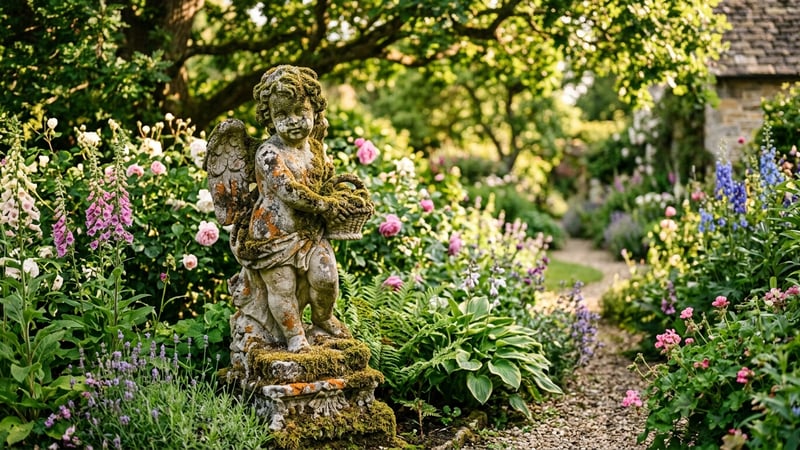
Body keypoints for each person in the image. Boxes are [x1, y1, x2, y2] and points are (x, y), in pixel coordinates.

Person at [208, 65, 349, 354]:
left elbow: (326, 181)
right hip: (272, 234)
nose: (294, 121)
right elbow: (289, 191)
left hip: (310, 232)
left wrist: (343, 195)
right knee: (282, 289)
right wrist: (326, 205)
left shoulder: (316, 149)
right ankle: (294, 335)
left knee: (326, 278)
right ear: (270, 119)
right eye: (282, 115)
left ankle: (323, 318)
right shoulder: (268, 153)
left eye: (301, 111)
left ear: (314, 109)